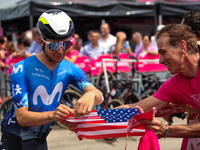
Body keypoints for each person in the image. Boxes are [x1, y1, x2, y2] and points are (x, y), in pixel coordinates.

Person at [67, 24, 200, 142]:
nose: (160, 60)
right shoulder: (175, 84)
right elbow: (135, 108)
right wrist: (81, 120)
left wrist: (167, 130)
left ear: (182, 46)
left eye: (163, 53)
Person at [0, 9, 103, 150]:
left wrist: (90, 94)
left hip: (40, 138)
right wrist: (53, 115)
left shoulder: (71, 69)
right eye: (54, 45)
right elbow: (22, 118)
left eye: (66, 44)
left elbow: (98, 95)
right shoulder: (22, 68)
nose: (60, 51)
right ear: (40, 40)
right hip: (15, 138)